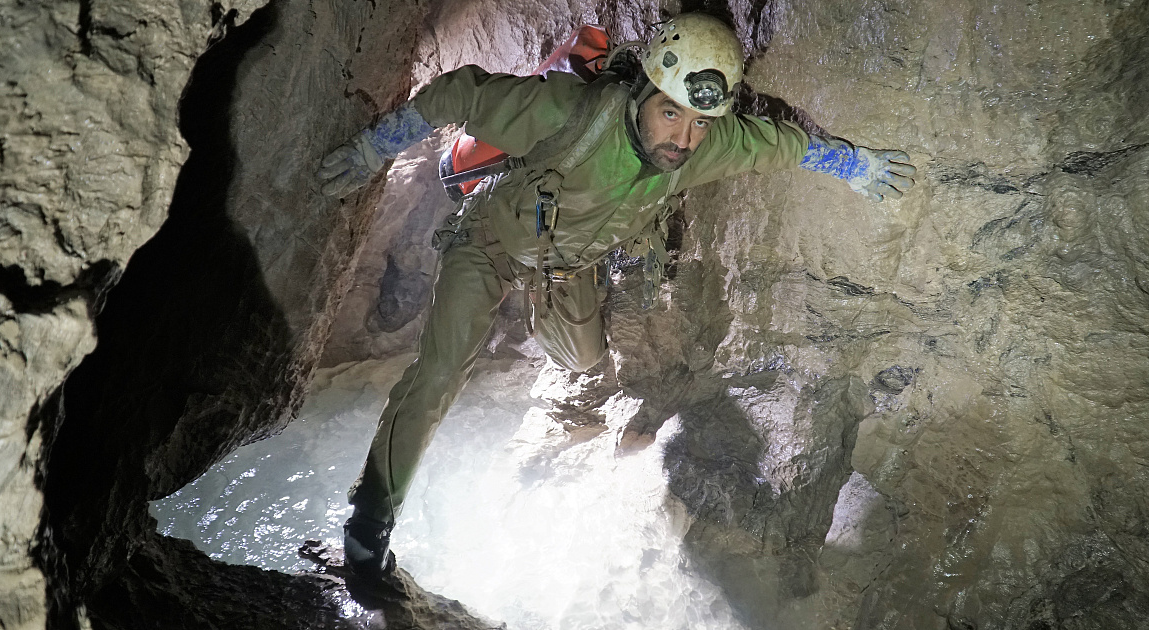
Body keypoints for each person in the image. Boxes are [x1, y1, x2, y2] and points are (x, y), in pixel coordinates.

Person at [316, 13, 916, 578]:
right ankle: (371, 519)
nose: (683, 139)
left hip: (567, 266)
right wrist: (374, 149)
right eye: (671, 115)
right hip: (491, 243)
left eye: (700, 122)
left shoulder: (708, 145)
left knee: (580, 360)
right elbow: (459, 93)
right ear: (643, 93)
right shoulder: (563, 112)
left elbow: (779, 143)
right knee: (441, 372)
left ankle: (545, 313)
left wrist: (852, 165)